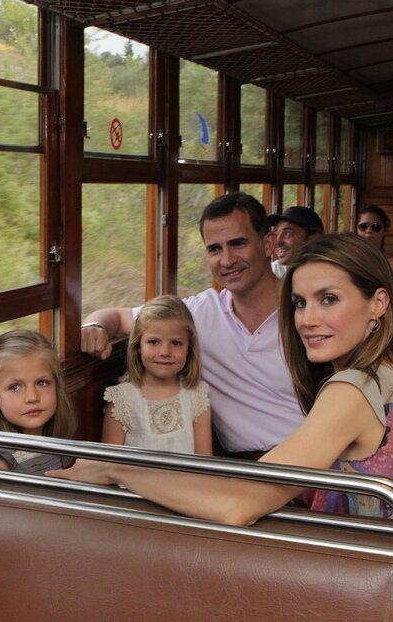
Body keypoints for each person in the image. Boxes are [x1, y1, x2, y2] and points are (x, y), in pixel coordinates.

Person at [53, 234, 393, 620]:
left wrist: (114, 468)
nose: (307, 320)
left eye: (328, 299)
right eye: (299, 303)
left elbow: (238, 506)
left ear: (378, 302)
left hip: (371, 599)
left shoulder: (352, 390)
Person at [80, 192, 304, 459]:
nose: (227, 260)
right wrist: (94, 326)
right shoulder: (198, 314)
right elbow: (116, 317)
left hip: (314, 454)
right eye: (214, 249)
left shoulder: (305, 308)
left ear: (267, 244)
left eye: (238, 243)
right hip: (248, 466)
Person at [101, 295, 213, 454]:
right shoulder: (122, 400)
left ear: (189, 348)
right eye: (153, 342)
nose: (165, 352)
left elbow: (205, 462)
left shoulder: (197, 395)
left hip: (187, 479)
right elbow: (108, 466)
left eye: (176, 343)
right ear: (138, 345)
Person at [0, 329, 78, 474]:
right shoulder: (2, 461)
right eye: (15, 387)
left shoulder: (58, 445)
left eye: (42, 383)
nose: (32, 397)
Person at [267, 205, 324, 278]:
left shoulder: (330, 275)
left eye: (287, 233)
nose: (278, 242)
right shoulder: (272, 273)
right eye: (276, 233)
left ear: (313, 238)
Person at [356, 204, 393, 273]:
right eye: (363, 226)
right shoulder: (347, 260)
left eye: (375, 226)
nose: (368, 231)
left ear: (385, 231)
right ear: (357, 229)